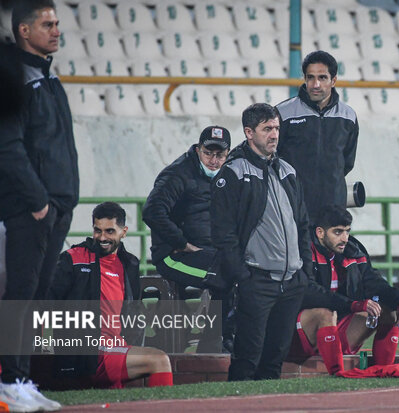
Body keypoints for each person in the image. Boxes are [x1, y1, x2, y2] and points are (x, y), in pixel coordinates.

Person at [0, 0, 79, 405]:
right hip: (31, 208)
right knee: (20, 294)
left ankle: (22, 383)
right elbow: (9, 146)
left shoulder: (49, 79)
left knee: (36, 297)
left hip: (57, 207)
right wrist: (37, 202)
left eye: (57, 23)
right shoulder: (16, 80)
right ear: (24, 31)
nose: (56, 30)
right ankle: (10, 382)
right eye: (47, 24)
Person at [211, 103, 311, 381]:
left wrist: (305, 272)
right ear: (249, 132)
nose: (274, 134)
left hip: (291, 282)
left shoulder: (288, 170)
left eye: (277, 128)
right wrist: (242, 276)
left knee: (274, 361)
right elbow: (223, 233)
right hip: (257, 280)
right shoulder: (233, 173)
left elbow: (302, 224)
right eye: (267, 129)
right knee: (247, 359)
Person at [47, 202, 173, 389]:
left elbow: (132, 313)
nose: (102, 237)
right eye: (98, 231)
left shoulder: (129, 263)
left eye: (110, 231)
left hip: (116, 348)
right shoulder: (73, 258)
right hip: (88, 351)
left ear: (124, 232)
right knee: (159, 359)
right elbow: (46, 301)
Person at [289, 205, 399, 375]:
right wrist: (353, 304)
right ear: (320, 233)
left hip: (336, 327)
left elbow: (374, 283)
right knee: (325, 313)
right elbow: (308, 292)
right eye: (338, 232)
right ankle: (338, 373)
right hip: (300, 331)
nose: (345, 238)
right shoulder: (304, 251)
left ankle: (383, 371)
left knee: (388, 312)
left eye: (347, 231)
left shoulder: (353, 251)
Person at [143, 126, 233, 352]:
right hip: (175, 255)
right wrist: (181, 243)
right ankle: (212, 344)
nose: (213, 160)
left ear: (228, 154)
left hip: (210, 253)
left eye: (219, 155)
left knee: (243, 269)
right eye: (208, 153)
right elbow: (152, 212)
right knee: (224, 274)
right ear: (197, 149)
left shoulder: (228, 173)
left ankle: (219, 340)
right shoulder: (177, 174)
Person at [276, 50, 359, 224]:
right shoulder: (283, 113)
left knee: (330, 253)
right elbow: (272, 158)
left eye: (322, 78)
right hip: (292, 208)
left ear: (333, 80)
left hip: (333, 209)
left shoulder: (348, 116)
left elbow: (346, 163)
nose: (315, 84)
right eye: (310, 77)